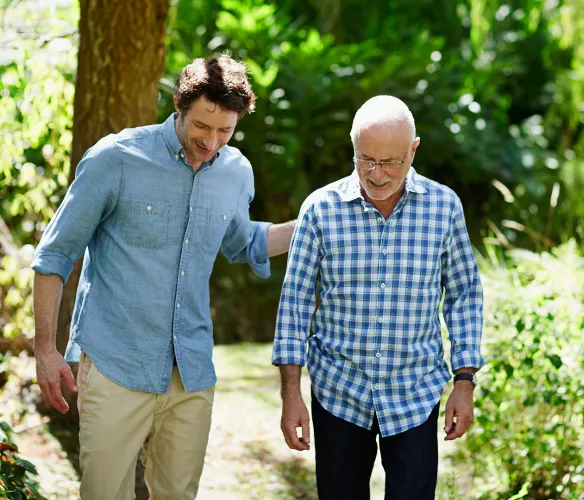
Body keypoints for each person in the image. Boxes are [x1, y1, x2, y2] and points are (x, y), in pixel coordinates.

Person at [32, 55, 295, 500]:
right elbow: (55, 255)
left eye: (224, 131)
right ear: (179, 107)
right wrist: (44, 349)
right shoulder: (115, 158)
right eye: (201, 127)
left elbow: (242, 242)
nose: (211, 142)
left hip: (190, 371)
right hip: (117, 362)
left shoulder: (236, 172)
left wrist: (309, 226)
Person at [272, 95, 484, 499]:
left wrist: (464, 381)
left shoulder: (444, 207)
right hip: (339, 391)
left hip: (415, 392)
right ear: (352, 149)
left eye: (390, 162)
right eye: (366, 160)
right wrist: (291, 396)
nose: (378, 174)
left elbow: (464, 295)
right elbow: (294, 304)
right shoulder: (320, 209)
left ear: (413, 149)